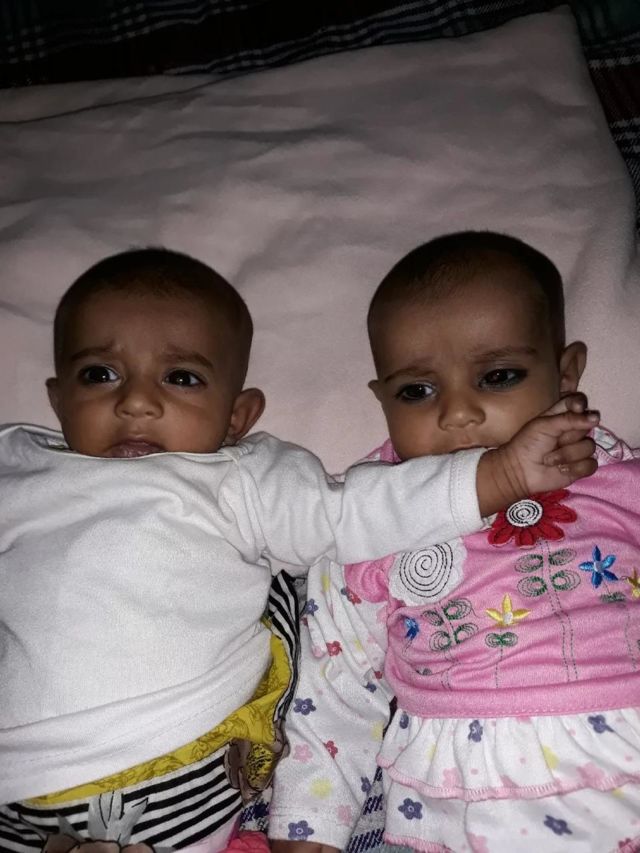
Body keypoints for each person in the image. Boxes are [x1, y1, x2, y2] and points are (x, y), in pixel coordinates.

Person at [0, 247, 595, 853]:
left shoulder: (243, 479)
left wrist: (500, 476)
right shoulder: (18, 471)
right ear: (57, 399)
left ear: (236, 417)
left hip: (177, 765)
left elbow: (354, 513)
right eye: (99, 374)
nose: (135, 402)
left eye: (181, 378)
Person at [268, 231, 640, 853]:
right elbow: (335, 686)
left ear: (566, 373)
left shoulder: (622, 482)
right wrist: (308, 824)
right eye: (416, 391)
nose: (457, 414)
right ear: (382, 398)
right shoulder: (366, 518)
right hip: (470, 786)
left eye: (498, 376)